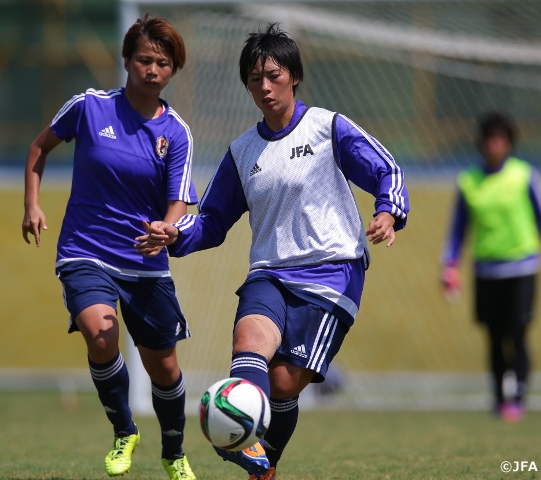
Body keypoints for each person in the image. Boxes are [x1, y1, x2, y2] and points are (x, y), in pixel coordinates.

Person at [136, 23, 409, 480]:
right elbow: (212, 222)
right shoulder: (243, 151)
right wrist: (175, 235)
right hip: (269, 274)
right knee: (248, 343)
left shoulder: (328, 127)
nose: (265, 86)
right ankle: (246, 444)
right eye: (255, 79)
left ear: (294, 76)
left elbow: (386, 170)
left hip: (331, 273)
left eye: (274, 75)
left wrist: (387, 212)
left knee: (283, 383)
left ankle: (262, 462)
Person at [22, 12, 198, 479]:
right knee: (100, 334)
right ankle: (124, 430)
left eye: (163, 63)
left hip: (145, 260)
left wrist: (166, 227)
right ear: (126, 60)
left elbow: (179, 200)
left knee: (164, 368)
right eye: (144, 60)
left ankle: (174, 452)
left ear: (172, 69)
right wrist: (32, 205)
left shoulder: (176, 133)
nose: (152, 70)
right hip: (85, 249)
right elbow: (39, 148)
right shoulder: (89, 106)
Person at [441, 111, 541, 422]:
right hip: (486, 270)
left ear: (509, 143)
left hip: (522, 267)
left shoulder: (524, 176)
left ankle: (518, 397)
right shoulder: (469, 181)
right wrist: (450, 266)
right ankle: (499, 397)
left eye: (501, 139)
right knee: (493, 335)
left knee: (517, 333)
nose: (495, 145)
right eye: (490, 139)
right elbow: (458, 231)